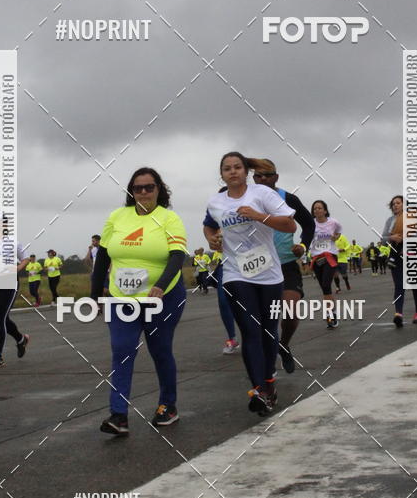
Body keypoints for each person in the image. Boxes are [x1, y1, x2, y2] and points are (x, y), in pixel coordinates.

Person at [91, 167, 187, 436]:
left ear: (159, 189)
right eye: (137, 188)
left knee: (160, 349)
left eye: (149, 187)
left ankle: (168, 405)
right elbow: (103, 258)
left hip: (164, 296)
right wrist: (95, 295)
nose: (143, 192)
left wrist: (159, 286)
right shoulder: (117, 217)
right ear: (131, 192)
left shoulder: (169, 218)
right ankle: (118, 415)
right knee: (122, 349)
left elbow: (177, 257)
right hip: (122, 298)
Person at [203, 153, 296, 416]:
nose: (232, 172)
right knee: (250, 330)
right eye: (227, 169)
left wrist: (258, 216)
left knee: (268, 331)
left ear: (246, 172)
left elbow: (290, 225)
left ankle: (268, 383)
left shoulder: (262, 195)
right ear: (221, 174)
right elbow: (208, 227)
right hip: (236, 273)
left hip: (269, 275)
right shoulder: (216, 202)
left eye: (237, 168)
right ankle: (260, 390)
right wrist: (212, 240)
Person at [247, 159, 315, 374]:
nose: (262, 179)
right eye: (258, 176)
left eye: (267, 175)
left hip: (285, 263)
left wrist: (303, 244)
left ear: (276, 177)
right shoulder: (245, 198)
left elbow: (309, 223)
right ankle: (266, 365)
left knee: (290, 310)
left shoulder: (288, 199)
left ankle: (283, 344)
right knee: (259, 319)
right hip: (256, 265)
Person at [0, 236, 31, 368]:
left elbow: (26, 258)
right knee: (0, 318)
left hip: (9, 282)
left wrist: (17, 268)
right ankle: (21, 339)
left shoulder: (13, 242)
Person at [382, 195, 417, 327]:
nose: (395, 205)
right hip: (396, 255)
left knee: (415, 285)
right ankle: (398, 314)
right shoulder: (390, 221)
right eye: (393, 203)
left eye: (398, 203)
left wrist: (404, 238)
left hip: (412, 254)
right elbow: (383, 238)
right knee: (399, 285)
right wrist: (392, 237)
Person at [308, 201, 342, 328]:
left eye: (319, 208)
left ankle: (330, 315)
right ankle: (333, 311)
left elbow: (339, 231)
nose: (317, 210)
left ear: (325, 211)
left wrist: (336, 237)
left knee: (327, 284)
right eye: (315, 208)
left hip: (330, 255)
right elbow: (306, 237)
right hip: (316, 257)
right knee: (325, 289)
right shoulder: (311, 224)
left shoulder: (333, 222)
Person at [206, 242, 239, 354]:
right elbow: (209, 228)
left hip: (247, 257)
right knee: (224, 302)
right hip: (225, 263)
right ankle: (232, 339)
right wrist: (212, 238)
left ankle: (261, 338)